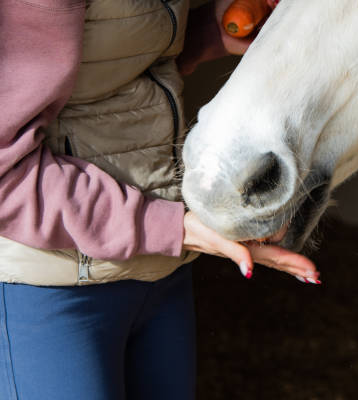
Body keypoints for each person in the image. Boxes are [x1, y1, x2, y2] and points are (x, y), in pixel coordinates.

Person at [0, 0, 318, 398]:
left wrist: (208, 32)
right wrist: (174, 226)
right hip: (54, 285)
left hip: (161, 270)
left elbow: (104, 55)